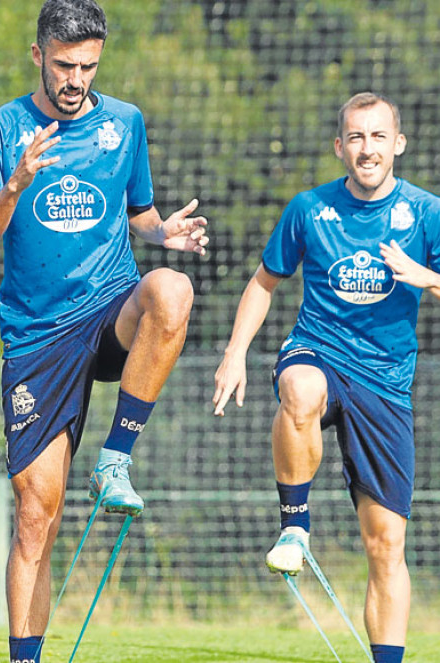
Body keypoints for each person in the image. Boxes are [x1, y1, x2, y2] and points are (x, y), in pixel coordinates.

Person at [0, 1, 208, 660]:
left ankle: (116, 457)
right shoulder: (0, 129)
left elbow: (141, 214)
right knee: (36, 515)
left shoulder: (123, 123)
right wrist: (12, 187)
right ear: (37, 55)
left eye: (87, 65)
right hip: (38, 336)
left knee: (171, 291)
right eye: (64, 65)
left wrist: (162, 233)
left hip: (108, 309)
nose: (75, 78)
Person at [213, 92, 439, 663]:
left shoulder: (427, 213)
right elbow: (265, 282)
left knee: (386, 547)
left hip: (386, 382)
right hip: (319, 352)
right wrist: (236, 352)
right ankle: (295, 526)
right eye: (356, 138)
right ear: (340, 147)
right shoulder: (309, 209)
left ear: (399, 145)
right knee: (300, 389)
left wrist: (424, 276)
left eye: (378, 137)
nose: (368, 149)